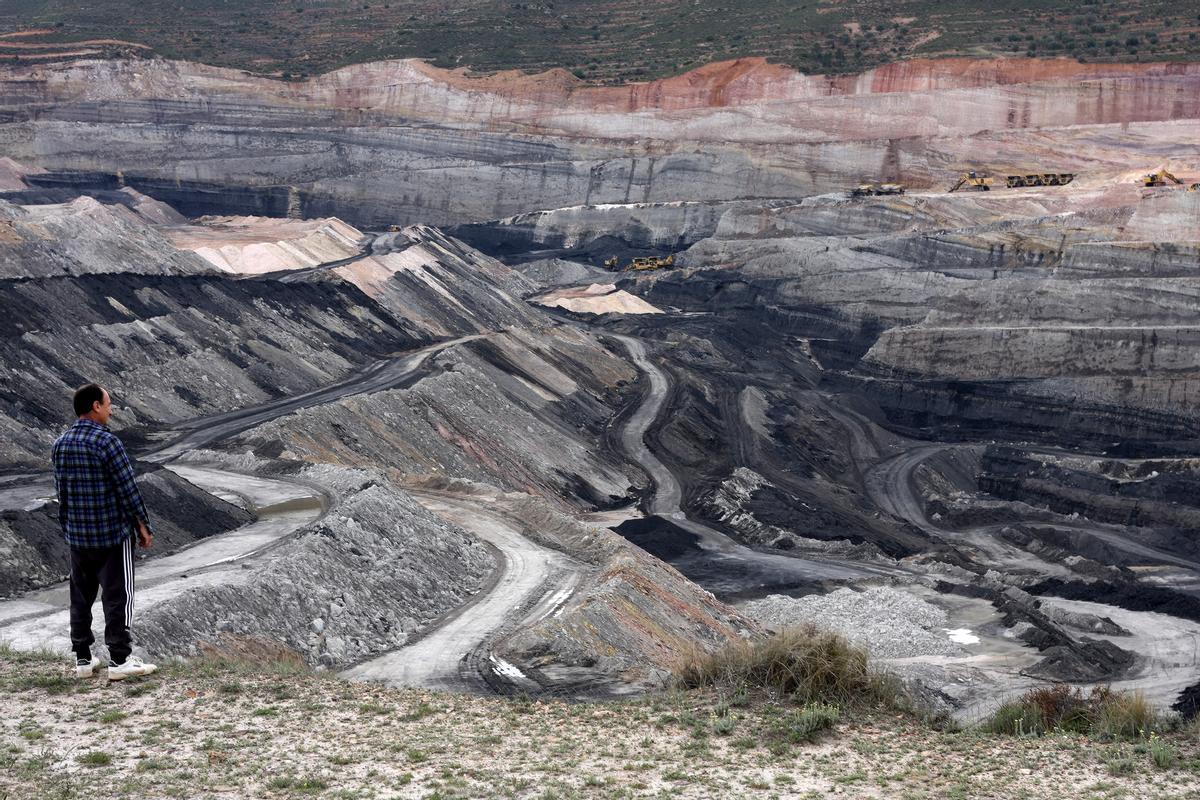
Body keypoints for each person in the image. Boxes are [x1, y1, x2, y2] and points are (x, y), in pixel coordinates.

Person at [52, 383, 157, 681]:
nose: (112, 410)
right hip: (111, 534)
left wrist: (68, 527)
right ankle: (121, 660)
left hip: (78, 535)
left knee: (80, 596)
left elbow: (63, 492)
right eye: (108, 404)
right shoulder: (107, 443)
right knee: (118, 596)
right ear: (96, 406)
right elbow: (128, 488)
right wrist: (143, 526)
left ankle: (83, 659)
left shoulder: (60, 444)